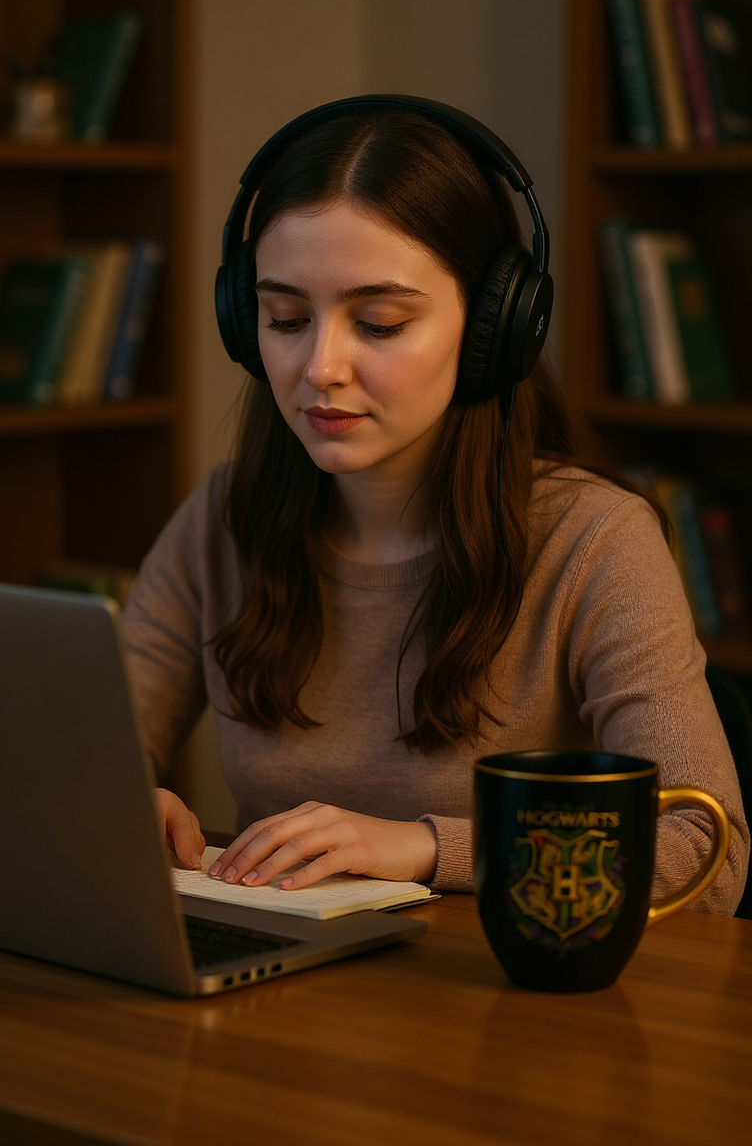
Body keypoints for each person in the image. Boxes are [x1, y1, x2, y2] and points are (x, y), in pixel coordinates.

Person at [120, 96, 749, 913]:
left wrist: (418, 845)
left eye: (378, 323)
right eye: (285, 318)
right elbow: (91, 749)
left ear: (496, 326)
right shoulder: (223, 517)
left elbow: (707, 855)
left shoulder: (595, 540)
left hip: (496, 1008)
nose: (321, 367)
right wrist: (118, 799)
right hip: (275, 995)